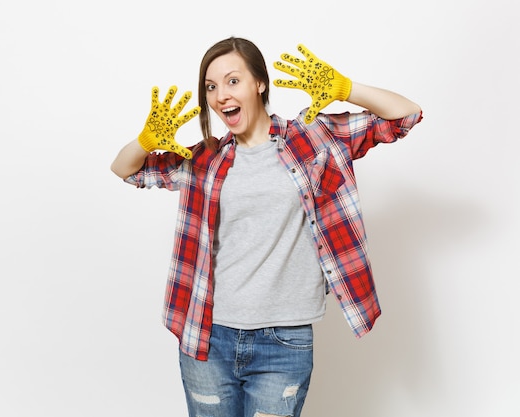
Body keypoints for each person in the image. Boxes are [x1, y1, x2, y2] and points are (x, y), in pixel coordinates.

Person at [110, 36, 422, 417]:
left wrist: (346, 89)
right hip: (209, 336)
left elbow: (405, 115)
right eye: (211, 86)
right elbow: (126, 170)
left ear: (259, 83)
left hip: (284, 341)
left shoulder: (312, 138)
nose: (221, 95)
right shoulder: (204, 158)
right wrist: (144, 142)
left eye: (232, 81)